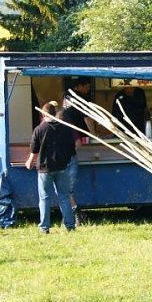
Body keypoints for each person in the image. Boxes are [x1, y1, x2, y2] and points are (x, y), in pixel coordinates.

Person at [24, 101, 78, 234]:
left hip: (44, 168)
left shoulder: (39, 129)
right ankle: (70, 225)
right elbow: (72, 148)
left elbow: (34, 148)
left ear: (43, 114)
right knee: (64, 197)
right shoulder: (65, 128)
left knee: (44, 198)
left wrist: (29, 161)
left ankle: (44, 228)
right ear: (55, 114)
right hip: (62, 167)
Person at [61, 78, 95, 223]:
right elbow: (87, 118)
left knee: (64, 189)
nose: (88, 88)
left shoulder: (67, 98)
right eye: (86, 85)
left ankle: (70, 216)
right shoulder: (78, 99)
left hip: (63, 156)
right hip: (72, 149)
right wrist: (94, 134)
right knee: (67, 189)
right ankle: (74, 215)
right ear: (78, 86)